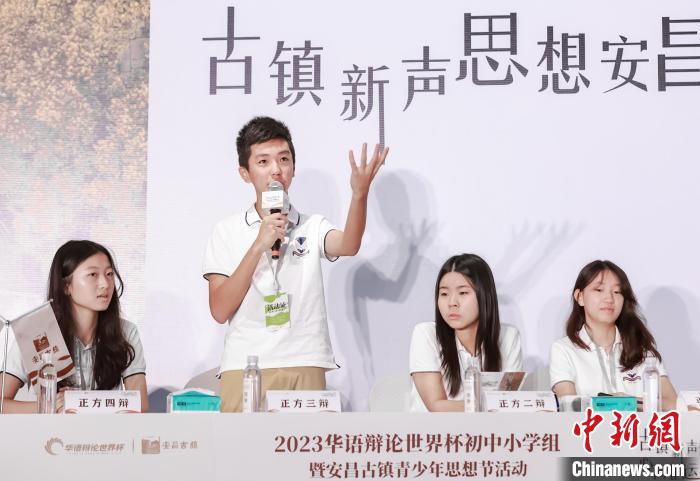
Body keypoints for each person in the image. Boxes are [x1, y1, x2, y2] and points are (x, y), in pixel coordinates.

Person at [203, 116, 388, 412]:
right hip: (247, 364)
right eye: (263, 161)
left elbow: (349, 244)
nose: (276, 169)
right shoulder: (227, 231)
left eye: (283, 159)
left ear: (293, 168)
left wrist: (359, 195)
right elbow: (220, 309)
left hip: (305, 358)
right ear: (245, 173)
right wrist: (258, 245)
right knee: (241, 443)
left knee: (304, 442)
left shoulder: (312, 226)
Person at [0, 240, 148, 413]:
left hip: (108, 430)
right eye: (92, 275)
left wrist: (80, 402)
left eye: (109, 274)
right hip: (51, 430)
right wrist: (50, 407)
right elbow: (2, 403)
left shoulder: (126, 332)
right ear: (66, 286)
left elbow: (141, 406)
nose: (105, 284)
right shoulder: (37, 333)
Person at [550, 260, 677, 410]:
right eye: (599, 290)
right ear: (580, 297)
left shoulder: (642, 350)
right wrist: (620, 404)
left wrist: (629, 401)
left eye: (617, 292)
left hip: (637, 426)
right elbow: (569, 405)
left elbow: (673, 403)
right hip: (588, 426)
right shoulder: (564, 349)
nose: (609, 299)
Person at [409, 253, 523, 412]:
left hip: (489, 428)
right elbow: (436, 406)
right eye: (444, 294)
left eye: (463, 293)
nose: (452, 303)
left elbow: (508, 403)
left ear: (484, 295)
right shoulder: (426, 334)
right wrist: (490, 404)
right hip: (434, 428)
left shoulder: (508, 336)